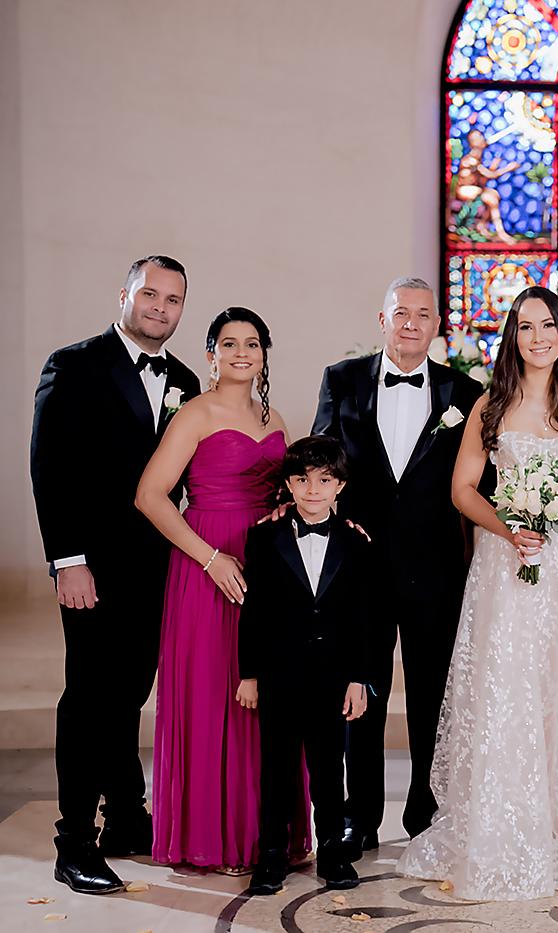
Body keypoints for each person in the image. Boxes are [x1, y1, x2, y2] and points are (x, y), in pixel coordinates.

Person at [398, 287, 558, 899]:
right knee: (507, 688)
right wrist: (510, 528)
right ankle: (504, 829)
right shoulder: (490, 405)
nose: (537, 336)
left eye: (548, 325)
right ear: (512, 336)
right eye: (525, 326)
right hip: (506, 566)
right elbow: (462, 489)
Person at [29, 256, 201, 894]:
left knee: (130, 690)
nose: (160, 307)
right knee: (90, 699)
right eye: (149, 294)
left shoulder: (185, 379)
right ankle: (73, 841)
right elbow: (50, 466)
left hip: (157, 567)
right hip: (91, 567)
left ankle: (127, 818)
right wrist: (67, 560)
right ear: (124, 295)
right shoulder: (74, 364)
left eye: (173, 300)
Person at [313, 277, 483, 852]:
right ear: (381, 319)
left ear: (437, 325)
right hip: (359, 571)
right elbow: (321, 457)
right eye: (400, 313)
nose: (411, 323)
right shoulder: (342, 380)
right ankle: (358, 817)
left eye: (423, 314)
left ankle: (426, 812)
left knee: (435, 696)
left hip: (435, 570)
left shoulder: (466, 391)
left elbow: (480, 478)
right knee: (360, 692)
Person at [135, 307, 308, 872]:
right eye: (228, 343)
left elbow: (291, 491)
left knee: (270, 696)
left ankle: (266, 835)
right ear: (210, 353)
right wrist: (210, 559)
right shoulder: (194, 413)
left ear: (264, 354)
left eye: (252, 343)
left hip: (267, 563)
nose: (241, 352)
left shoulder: (274, 415)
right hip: (206, 561)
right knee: (217, 691)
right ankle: (215, 835)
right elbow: (151, 496)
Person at [239, 435, 374, 896]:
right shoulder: (263, 536)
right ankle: (271, 858)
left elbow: (362, 617)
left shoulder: (357, 543)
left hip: (333, 678)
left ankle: (334, 853)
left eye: (324, 480)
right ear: (288, 484)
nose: (313, 489)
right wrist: (250, 674)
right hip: (279, 675)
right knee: (275, 771)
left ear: (340, 485)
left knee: (327, 770)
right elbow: (253, 612)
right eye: (302, 479)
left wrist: (358, 678)